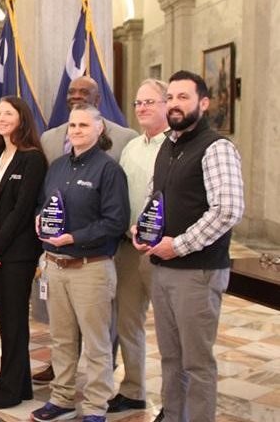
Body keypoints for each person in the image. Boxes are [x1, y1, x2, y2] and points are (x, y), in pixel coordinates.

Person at [133, 70, 244, 422]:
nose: (175, 104)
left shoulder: (216, 147)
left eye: (184, 97)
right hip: (163, 267)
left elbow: (228, 210)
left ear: (204, 103)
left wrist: (178, 245)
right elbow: (158, 198)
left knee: (196, 363)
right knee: (170, 357)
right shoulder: (168, 145)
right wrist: (144, 230)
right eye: (171, 98)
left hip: (197, 272)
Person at [32, 75, 138, 384]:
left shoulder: (110, 166)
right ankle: (62, 397)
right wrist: (41, 218)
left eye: (84, 125)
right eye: (73, 126)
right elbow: (45, 202)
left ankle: (95, 405)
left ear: (99, 126)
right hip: (56, 263)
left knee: (97, 342)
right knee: (62, 339)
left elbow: (115, 221)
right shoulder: (57, 163)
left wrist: (74, 237)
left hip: (92, 264)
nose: (76, 130)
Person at [0, 97, 47, 410]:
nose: (1, 117)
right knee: (7, 321)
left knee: (15, 321)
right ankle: (22, 385)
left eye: (8, 113)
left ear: (22, 118)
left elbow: (21, 211)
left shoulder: (32, 159)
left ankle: (8, 390)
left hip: (16, 254)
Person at [107, 79, 169, 414]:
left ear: (166, 104)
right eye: (138, 102)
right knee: (129, 321)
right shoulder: (131, 146)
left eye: (150, 102)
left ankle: (173, 401)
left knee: (170, 327)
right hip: (130, 249)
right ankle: (133, 389)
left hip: (165, 251)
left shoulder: (176, 146)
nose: (142, 108)